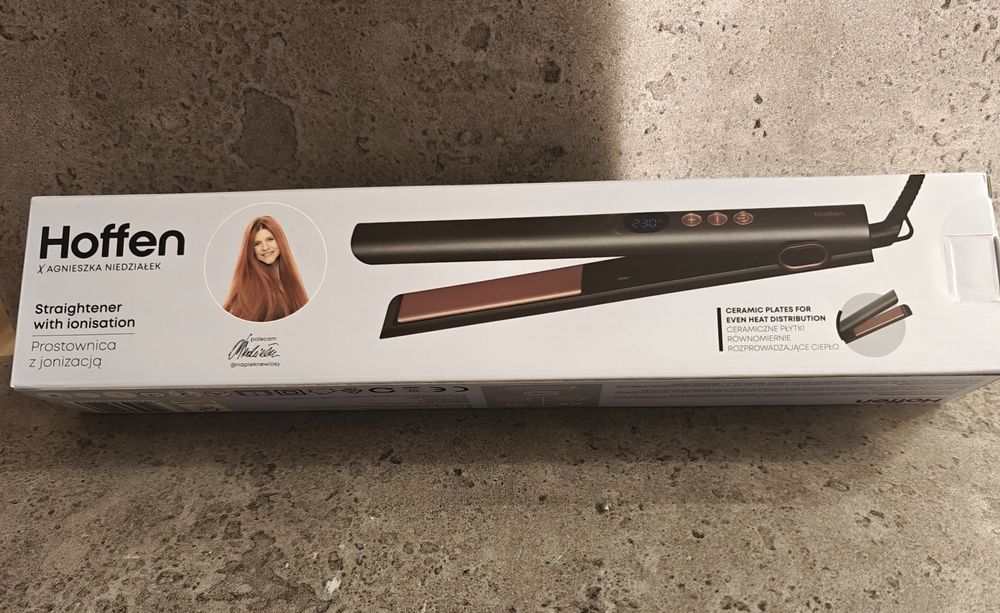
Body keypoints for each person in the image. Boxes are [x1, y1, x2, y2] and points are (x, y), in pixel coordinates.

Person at [223, 215, 309, 322]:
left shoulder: (289, 283)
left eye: (270, 239)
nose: (265, 247)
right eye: (257, 244)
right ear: (251, 250)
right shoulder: (252, 292)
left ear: (280, 240)